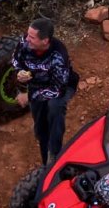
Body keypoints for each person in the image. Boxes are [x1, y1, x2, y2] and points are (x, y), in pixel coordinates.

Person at [12, 18, 78, 164]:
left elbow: (57, 89)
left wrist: (29, 96)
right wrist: (20, 71)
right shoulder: (25, 42)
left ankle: (54, 153)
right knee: (41, 128)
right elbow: (16, 59)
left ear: (45, 41)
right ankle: (45, 163)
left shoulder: (58, 56)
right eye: (27, 34)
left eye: (32, 37)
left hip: (61, 86)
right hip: (37, 84)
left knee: (55, 106)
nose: (26, 39)